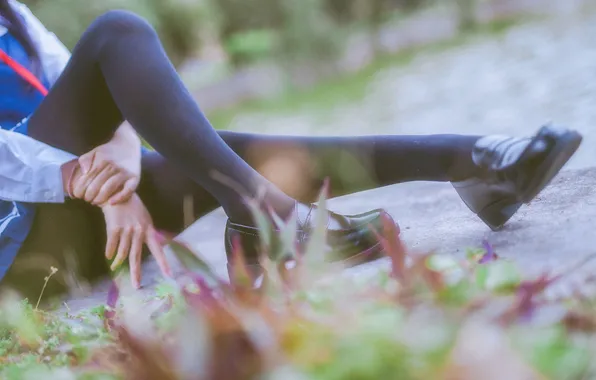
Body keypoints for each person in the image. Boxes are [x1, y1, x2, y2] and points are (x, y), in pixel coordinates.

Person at [0, 0, 583, 301]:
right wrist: (80, 178)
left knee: (216, 157)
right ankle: (272, 227)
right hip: (19, 255)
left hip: (83, 221)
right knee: (118, 32)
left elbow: (80, 88)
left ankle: (474, 163)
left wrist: (118, 164)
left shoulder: (12, 13)